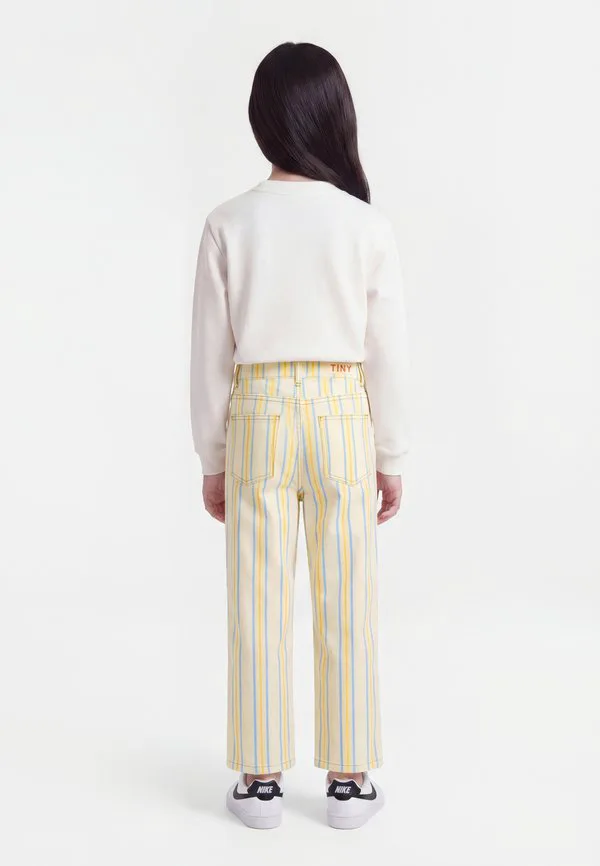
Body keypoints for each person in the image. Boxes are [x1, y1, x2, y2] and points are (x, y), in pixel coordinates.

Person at [190, 41, 409, 830]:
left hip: (258, 413)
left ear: (262, 120)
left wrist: (213, 457)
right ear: (334, 116)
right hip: (343, 410)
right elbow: (387, 350)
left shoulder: (229, 222)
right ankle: (348, 779)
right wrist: (391, 454)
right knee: (347, 592)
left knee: (257, 595)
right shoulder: (365, 225)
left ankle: (260, 781)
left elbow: (211, 352)